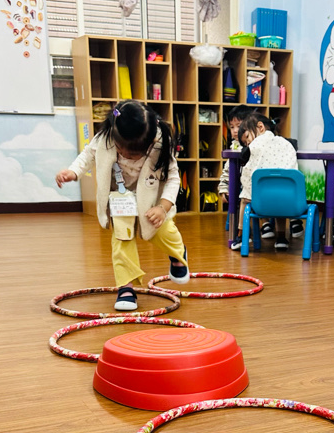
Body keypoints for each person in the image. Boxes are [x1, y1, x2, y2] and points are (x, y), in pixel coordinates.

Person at [55, 100, 189, 312]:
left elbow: (173, 178)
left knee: (163, 231)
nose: (126, 155)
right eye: (121, 149)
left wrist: (163, 207)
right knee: (121, 240)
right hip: (120, 200)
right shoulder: (105, 138)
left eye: (134, 154)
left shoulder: (160, 144)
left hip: (152, 201)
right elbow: (88, 155)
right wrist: (73, 172)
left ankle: (178, 254)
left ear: (150, 142)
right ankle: (126, 287)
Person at [232, 113, 299, 251]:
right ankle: (281, 238)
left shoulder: (255, 146)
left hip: (260, 200)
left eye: (247, 138)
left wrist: (246, 193)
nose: (248, 144)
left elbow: (247, 176)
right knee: (280, 197)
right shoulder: (286, 143)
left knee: (244, 199)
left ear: (260, 127)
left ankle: (240, 235)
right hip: (288, 199)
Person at [218, 105, 250, 206]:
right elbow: (228, 170)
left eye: (239, 126)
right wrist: (224, 188)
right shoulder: (235, 147)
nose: (235, 130)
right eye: (232, 127)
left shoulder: (254, 146)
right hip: (238, 191)